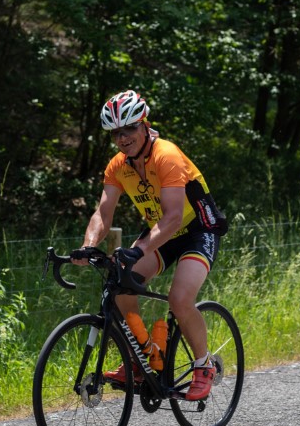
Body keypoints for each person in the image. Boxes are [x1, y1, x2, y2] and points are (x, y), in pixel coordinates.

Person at [75, 89, 226, 401]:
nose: (122, 138)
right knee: (120, 285)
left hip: (197, 230)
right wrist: (88, 246)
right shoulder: (117, 166)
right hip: (162, 233)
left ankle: (204, 365)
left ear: (144, 125)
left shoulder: (166, 155)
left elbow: (173, 217)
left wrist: (139, 249)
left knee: (179, 299)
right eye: (115, 133)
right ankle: (140, 360)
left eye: (129, 128)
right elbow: (103, 213)